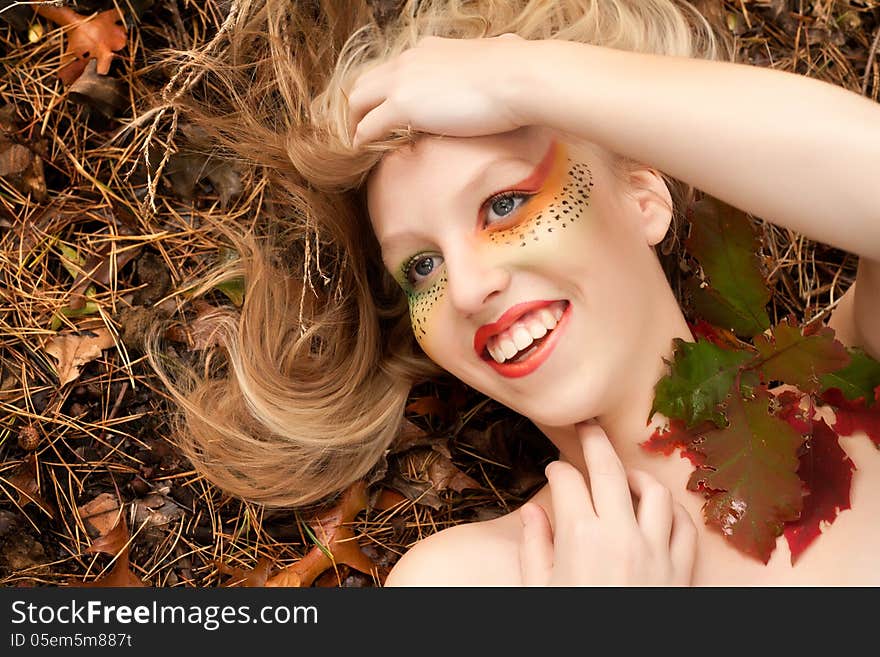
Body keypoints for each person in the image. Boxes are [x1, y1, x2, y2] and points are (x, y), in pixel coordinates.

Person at [149, 0, 880, 585]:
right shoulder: (471, 584)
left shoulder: (851, 376)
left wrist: (517, 78)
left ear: (642, 195)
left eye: (502, 205)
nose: (467, 287)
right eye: (422, 268)